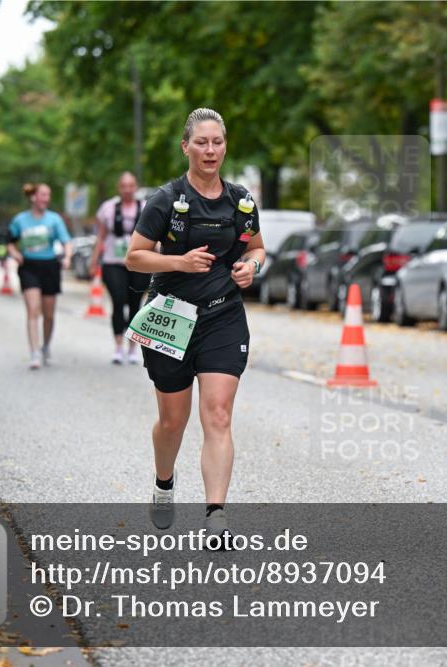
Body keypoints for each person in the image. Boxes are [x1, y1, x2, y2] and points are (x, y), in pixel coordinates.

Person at [125, 108, 265, 538]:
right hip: (171, 316)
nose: (210, 150)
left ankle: (215, 515)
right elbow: (134, 257)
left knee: (218, 415)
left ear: (225, 146)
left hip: (223, 316)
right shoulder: (166, 200)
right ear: (185, 146)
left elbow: (257, 248)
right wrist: (179, 263)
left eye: (217, 142)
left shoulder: (239, 200)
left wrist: (250, 268)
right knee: (173, 421)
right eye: (201, 142)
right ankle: (164, 484)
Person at [7, 183, 72, 370]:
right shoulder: (20, 220)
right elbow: (10, 242)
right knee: (33, 310)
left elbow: (66, 241)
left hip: (50, 266)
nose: (46, 199)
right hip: (29, 267)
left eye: (48, 195)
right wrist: (15, 253)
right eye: (43, 195)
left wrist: (67, 257)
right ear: (33, 197)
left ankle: (45, 347)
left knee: (49, 315)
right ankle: (34, 353)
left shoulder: (54, 219)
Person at [90, 172, 150, 365]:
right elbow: (100, 235)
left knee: (135, 304)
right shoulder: (107, 208)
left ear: (136, 187)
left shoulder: (146, 207)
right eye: (124, 185)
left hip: (139, 263)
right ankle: (118, 346)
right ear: (119, 187)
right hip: (113, 263)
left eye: (131, 185)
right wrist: (93, 260)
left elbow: (155, 237)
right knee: (118, 300)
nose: (127, 189)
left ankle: (132, 348)